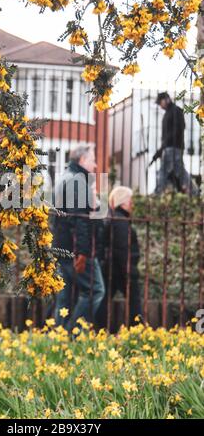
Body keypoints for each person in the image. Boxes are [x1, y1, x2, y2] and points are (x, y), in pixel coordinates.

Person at [53, 144, 105, 331]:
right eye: (93, 160)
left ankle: (57, 337)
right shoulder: (78, 181)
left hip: (61, 246)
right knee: (95, 290)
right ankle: (73, 334)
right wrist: (82, 253)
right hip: (76, 249)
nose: (96, 165)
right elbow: (80, 220)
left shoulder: (64, 178)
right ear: (82, 160)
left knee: (64, 296)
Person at [96, 186, 142, 328]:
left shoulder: (115, 217)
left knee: (104, 299)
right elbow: (122, 249)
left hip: (112, 267)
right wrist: (130, 271)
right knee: (134, 301)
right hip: (121, 269)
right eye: (130, 200)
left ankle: (100, 328)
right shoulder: (121, 221)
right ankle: (136, 329)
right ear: (123, 202)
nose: (132, 204)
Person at [151, 92, 197, 195]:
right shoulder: (168, 113)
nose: (160, 105)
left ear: (166, 99)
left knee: (174, 171)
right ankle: (159, 192)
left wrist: (163, 147)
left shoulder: (175, 111)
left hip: (174, 147)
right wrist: (161, 150)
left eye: (160, 102)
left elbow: (178, 130)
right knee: (171, 171)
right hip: (168, 148)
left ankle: (158, 193)